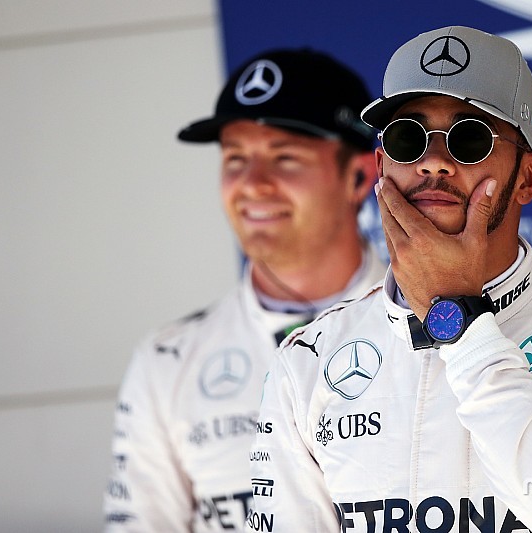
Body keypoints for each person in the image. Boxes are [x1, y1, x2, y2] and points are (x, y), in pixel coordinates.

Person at [249, 26, 532, 532]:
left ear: (529, 177)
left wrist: (458, 318)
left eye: (470, 138)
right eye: (407, 138)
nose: (433, 162)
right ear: (382, 166)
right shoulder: (309, 356)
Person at [103, 48, 387, 531]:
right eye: (235, 158)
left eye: (285, 158)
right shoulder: (167, 360)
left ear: (359, 176)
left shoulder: (440, 332)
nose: (253, 184)